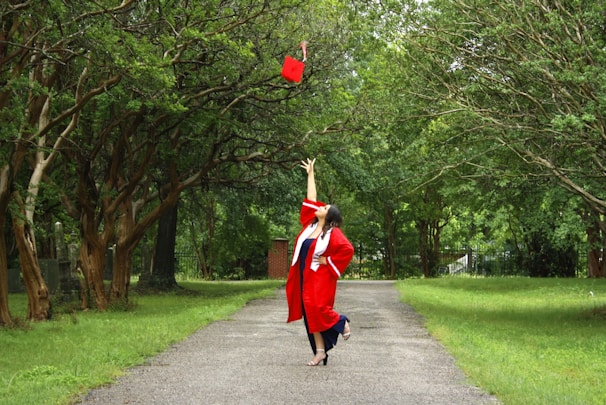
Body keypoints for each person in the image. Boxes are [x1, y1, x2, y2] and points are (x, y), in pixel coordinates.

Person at [286, 158, 355, 366]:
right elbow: (311, 197)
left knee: (319, 308)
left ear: (329, 215)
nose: (319, 207)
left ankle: (341, 322)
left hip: (321, 278)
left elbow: (348, 250)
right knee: (310, 313)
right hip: (305, 276)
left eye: (324, 207)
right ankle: (320, 352)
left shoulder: (332, 233)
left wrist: (328, 260)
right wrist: (310, 174)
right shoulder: (310, 226)